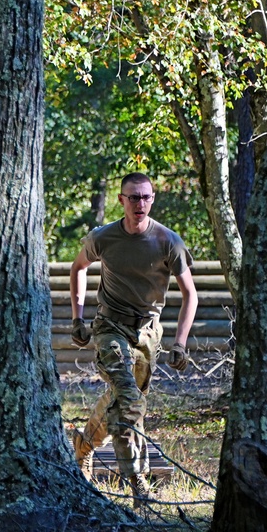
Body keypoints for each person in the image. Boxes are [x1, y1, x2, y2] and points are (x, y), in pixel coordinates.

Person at [69, 172, 197, 508]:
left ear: (152, 199)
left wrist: (180, 343)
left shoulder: (169, 241)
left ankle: (82, 447)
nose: (140, 203)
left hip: (149, 335)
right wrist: (78, 317)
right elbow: (78, 267)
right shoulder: (104, 237)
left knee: (122, 399)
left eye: (145, 197)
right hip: (110, 327)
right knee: (129, 400)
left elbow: (190, 295)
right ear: (121, 200)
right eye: (133, 197)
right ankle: (137, 484)